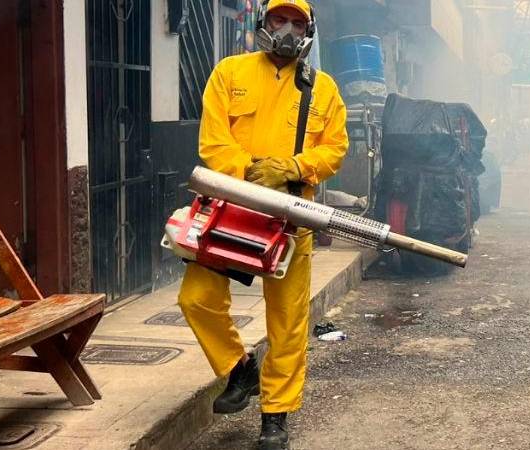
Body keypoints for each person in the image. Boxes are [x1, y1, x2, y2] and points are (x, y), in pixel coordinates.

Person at [177, 1, 348, 449]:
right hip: (230, 210)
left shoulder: (323, 89)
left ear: (309, 30)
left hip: (292, 219)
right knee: (196, 299)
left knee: (288, 321)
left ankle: (276, 416)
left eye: (298, 23)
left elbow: (334, 150)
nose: (288, 31)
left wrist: (292, 167)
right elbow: (213, 142)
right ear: (263, 23)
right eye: (280, 20)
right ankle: (239, 368)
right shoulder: (229, 74)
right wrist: (255, 173)